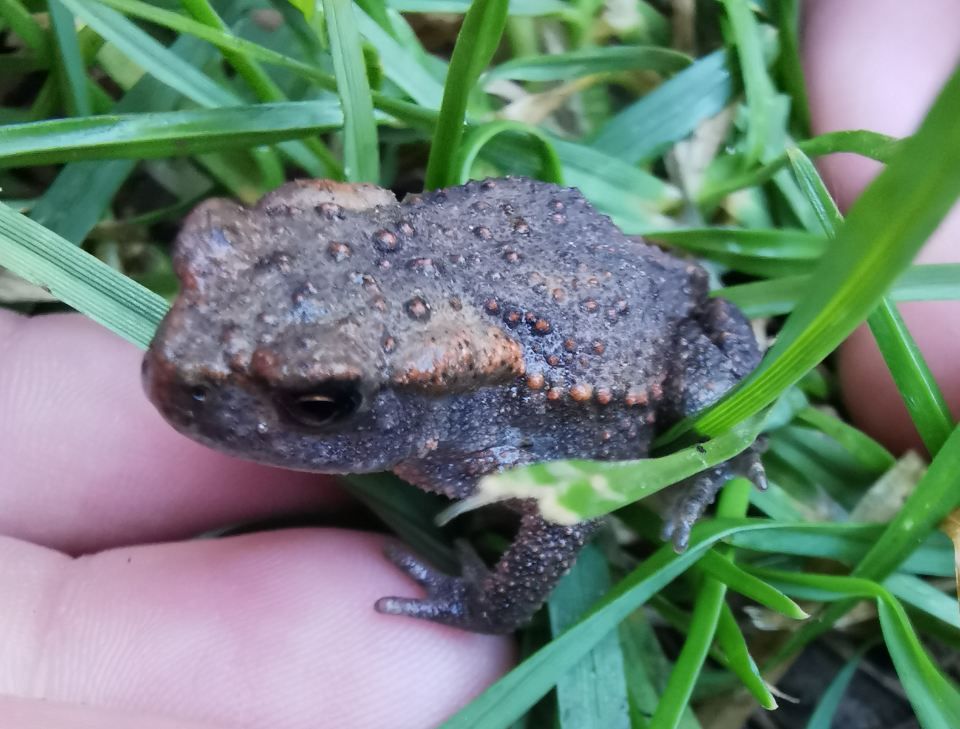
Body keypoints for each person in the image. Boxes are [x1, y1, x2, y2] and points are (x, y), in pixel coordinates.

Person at [1, 1, 957, 725]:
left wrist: (480, 602)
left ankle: (716, 458)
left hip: (628, 336)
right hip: (516, 260)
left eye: (317, 399)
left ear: (405, 397)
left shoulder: (472, 433)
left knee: (712, 402)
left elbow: (557, 519)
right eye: (200, 266)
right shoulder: (346, 242)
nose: (181, 354)